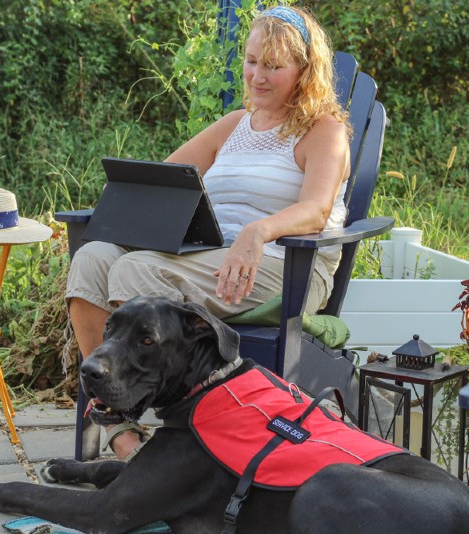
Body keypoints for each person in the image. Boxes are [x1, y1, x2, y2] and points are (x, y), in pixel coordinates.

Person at [66, 5, 350, 460]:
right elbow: (161, 181)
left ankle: (155, 416)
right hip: (212, 258)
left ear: (304, 70)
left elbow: (316, 210)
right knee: (93, 257)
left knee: (136, 269)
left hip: (283, 266)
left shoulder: (324, 131)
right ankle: (120, 427)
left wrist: (258, 232)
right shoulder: (234, 125)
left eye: (273, 66)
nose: (258, 75)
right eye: (252, 60)